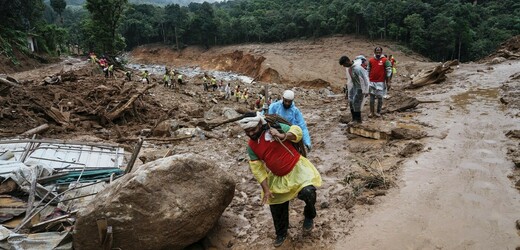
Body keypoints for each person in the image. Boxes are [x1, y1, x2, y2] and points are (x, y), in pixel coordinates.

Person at [237, 112, 322, 247]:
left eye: (253, 129)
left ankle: (309, 214)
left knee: (308, 192)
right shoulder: (251, 146)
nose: (251, 133)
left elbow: (297, 131)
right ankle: (281, 233)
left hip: (297, 169)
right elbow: (257, 169)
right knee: (276, 205)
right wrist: (266, 189)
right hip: (277, 177)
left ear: (260, 124)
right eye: (247, 131)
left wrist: (283, 135)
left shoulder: (275, 127)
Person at [340, 55, 370, 124]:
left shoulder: (357, 68)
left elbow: (365, 79)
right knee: (351, 101)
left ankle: (358, 120)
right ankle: (354, 118)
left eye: (344, 64)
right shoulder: (351, 68)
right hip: (354, 86)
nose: (344, 66)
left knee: (356, 103)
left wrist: (366, 90)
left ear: (347, 61)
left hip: (360, 88)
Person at [367, 47, 392, 117]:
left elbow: (389, 71)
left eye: (379, 52)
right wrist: (367, 79)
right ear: (374, 52)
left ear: (381, 52)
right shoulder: (371, 60)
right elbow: (368, 70)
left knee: (380, 97)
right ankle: (372, 112)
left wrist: (388, 82)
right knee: (371, 97)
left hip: (380, 82)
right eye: (377, 52)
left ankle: (378, 111)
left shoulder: (385, 60)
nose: (378, 53)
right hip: (371, 81)